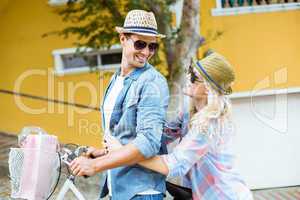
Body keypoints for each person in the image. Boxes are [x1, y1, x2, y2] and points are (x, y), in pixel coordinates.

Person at [106, 52, 253, 200]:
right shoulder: (188, 113)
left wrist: (122, 152)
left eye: (194, 77)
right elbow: (160, 136)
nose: (188, 78)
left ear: (208, 88)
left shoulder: (209, 125)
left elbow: (173, 166)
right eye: (190, 71)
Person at [70, 10, 169, 200]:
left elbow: (148, 142)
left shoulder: (152, 82)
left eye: (152, 46)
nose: (146, 52)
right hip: (120, 190)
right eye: (140, 44)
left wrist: (95, 165)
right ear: (123, 39)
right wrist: (99, 154)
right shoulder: (116, 79)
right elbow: (124, 137)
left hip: (142, 192)